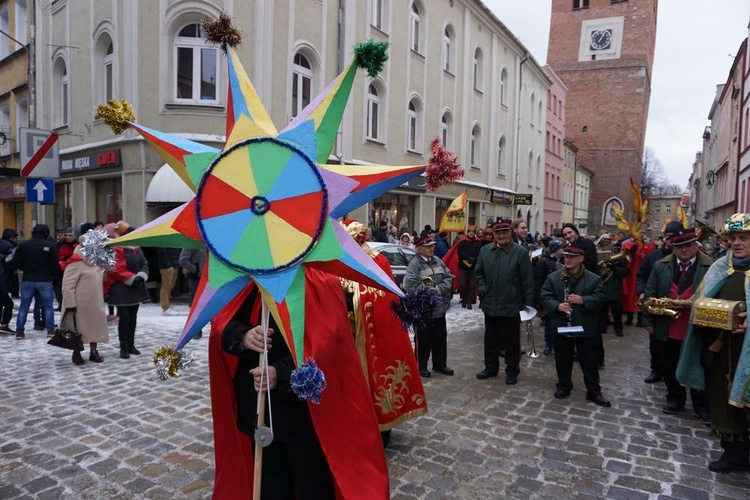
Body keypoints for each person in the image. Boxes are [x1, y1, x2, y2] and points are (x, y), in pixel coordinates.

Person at [211, 268, 389, 498]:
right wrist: (243, 336)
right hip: (256, 410)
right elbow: (222, 325)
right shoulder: (243, 279)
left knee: (313, 487)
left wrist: (281, 373)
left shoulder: (318, 279)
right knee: (270, 489)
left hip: (304, 417)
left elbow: (328, 344)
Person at [340, 219, 427, 444]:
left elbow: (385, 296)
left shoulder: (378, 261)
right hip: (344, 337)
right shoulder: (336, 261)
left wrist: (353, 302)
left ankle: (381, 428)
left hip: (371, 336)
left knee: (375, 380)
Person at [676, 213, 750, 474]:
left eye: (744, 238)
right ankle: (734, 454)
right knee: (722, 398)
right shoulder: (721, 267)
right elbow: (701, 299)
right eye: (733, 238)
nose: (737, 243)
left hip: (747, 352)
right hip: (722, 348)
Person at [643, 227, 711, 424]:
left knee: (698, 366)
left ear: (696, 245)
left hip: (695, 326)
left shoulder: (710, 266)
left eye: (688, 245)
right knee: (668, 364)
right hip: (667, 325)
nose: (684, 250)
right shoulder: (659, 266)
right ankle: (675, 398)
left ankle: (702, 405)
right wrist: (648, 321)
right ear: (672, 247)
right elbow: (650, 293)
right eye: (679, 246)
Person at [541, 243, 610, 407]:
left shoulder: (593, 278)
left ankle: (594, 391)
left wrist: (583, 300)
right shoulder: (554, 277)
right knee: (562, 358)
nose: (568, 260)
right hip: (562, 324)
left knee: (589, 360)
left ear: (581, 259)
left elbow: (601, 298)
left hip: (585, 326)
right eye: (566, 256)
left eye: (572, 257)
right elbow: (545, 295)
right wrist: (556, 306)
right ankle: (564, 386)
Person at [475, 220, 535, 384]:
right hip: (491, 304)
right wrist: (483, 288)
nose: (501, 236)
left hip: (512, 304)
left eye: (504, 232)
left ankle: (512, 370)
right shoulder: (485, 251)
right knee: (491, 339)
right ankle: (491, 367)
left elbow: (527, 280)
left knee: (511, 340)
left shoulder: (520, 252)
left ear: (510, 232)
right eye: (497, 233)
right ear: (494, 234)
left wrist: (528, 304)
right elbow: (479, 272)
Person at [637, 221, 683, 384]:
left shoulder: (684, 255)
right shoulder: (653, 257)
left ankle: (676, 372)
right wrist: (642, 292)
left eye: (675, 237)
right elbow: (641, 275)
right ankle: (656, 370)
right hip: (656, 305)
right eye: (669, 237)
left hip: (679, 307)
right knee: (655, 340)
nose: (671, 240)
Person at [403, 235, 454, 378]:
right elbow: (411, 285)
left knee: (440, 337)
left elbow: (449, 277)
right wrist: (433, 290)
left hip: (439, 309)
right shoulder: (415, 264)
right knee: (423, 339)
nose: (433, 247)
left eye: (433, 245)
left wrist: (441, 289)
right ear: (420, 250)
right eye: (429, 246)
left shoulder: (438, 261)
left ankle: (440, 365)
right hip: (423, 310)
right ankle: (420, 366)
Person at [61, 228, 109, 365]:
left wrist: (107, 267)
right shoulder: (75, 261)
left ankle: (94, 352)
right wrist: (70, 303)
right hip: (80, 304)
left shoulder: (97, 261)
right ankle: (76, 353)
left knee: (95, 328)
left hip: (95, 302)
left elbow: (101, 279)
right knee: (79, 329)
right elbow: (67, 284)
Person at [105, 221, 149, 359]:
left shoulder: (136, 247)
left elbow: (144, 263)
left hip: (136, 286)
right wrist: (131, 278)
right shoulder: (115, 248)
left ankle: (131, 344)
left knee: (133, 317)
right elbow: (115, 268)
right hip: (121, 288)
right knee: (124, 317)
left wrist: (142, 276)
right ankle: (123, 346)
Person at [12, 224, 60, 340]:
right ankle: (50, 330)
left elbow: (16, 262)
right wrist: (54, 276)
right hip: (45, 279)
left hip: (28, 279)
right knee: (48, 306)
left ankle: (19, 331)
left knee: (24, 306)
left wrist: (26, 269)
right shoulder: (50, 245)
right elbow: (55, 264)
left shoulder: (24, 245)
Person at [534, 239, 565, 355]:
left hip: (560, 297)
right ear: (556, 250)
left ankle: (559, 344)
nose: (564, 250)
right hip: (548, 297)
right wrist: (538, 300)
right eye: (562, 248)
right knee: (550, 323)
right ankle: (549, 345)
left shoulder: (562, 261)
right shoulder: (544, 262)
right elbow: (537, 281)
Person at [597, 234, 629, 338]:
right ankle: (602, 327)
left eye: (608, 245)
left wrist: (614, 268)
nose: (606, 248)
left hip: (614, 287)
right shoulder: (597, 256)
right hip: (602, 285)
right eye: (604, 246)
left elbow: (625, 272)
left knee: (616, 310)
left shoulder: (618, 257)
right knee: (602, 309)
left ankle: (618, 329)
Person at [179, 246, 207, 338]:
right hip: (196, 279)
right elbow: (182, 259)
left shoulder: (210, 240)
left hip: (210, 278)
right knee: (196, 305)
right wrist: (196, 269)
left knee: (209, 305)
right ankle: (195, 331)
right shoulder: (191, 242)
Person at [456, 226, 483, 309]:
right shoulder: (462, 242)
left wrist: (474, 259)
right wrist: (468, 258)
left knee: (472, 285)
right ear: (467, 232)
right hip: (463, 267)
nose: (471, 233)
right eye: (470, 231)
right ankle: (464, 299)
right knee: (463, 285)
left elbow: (480, 253)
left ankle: (469, 302)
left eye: (473, 232)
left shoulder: (478, 242)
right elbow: (460, 252)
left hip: (473, 267)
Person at [157, 246, 182, 316]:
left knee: (171, 286)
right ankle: (165, 307)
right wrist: (167, 265)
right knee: (166, 286)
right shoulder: (163, 238)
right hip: (167, 266)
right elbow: (161, 251)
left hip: (174, 264)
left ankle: (167, 304)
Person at [0, 233, 14, 333]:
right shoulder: (0, 258)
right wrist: (4, 290)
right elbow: (2, 275)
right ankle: (4, 325)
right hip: (1, 288)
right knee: (9, 304)